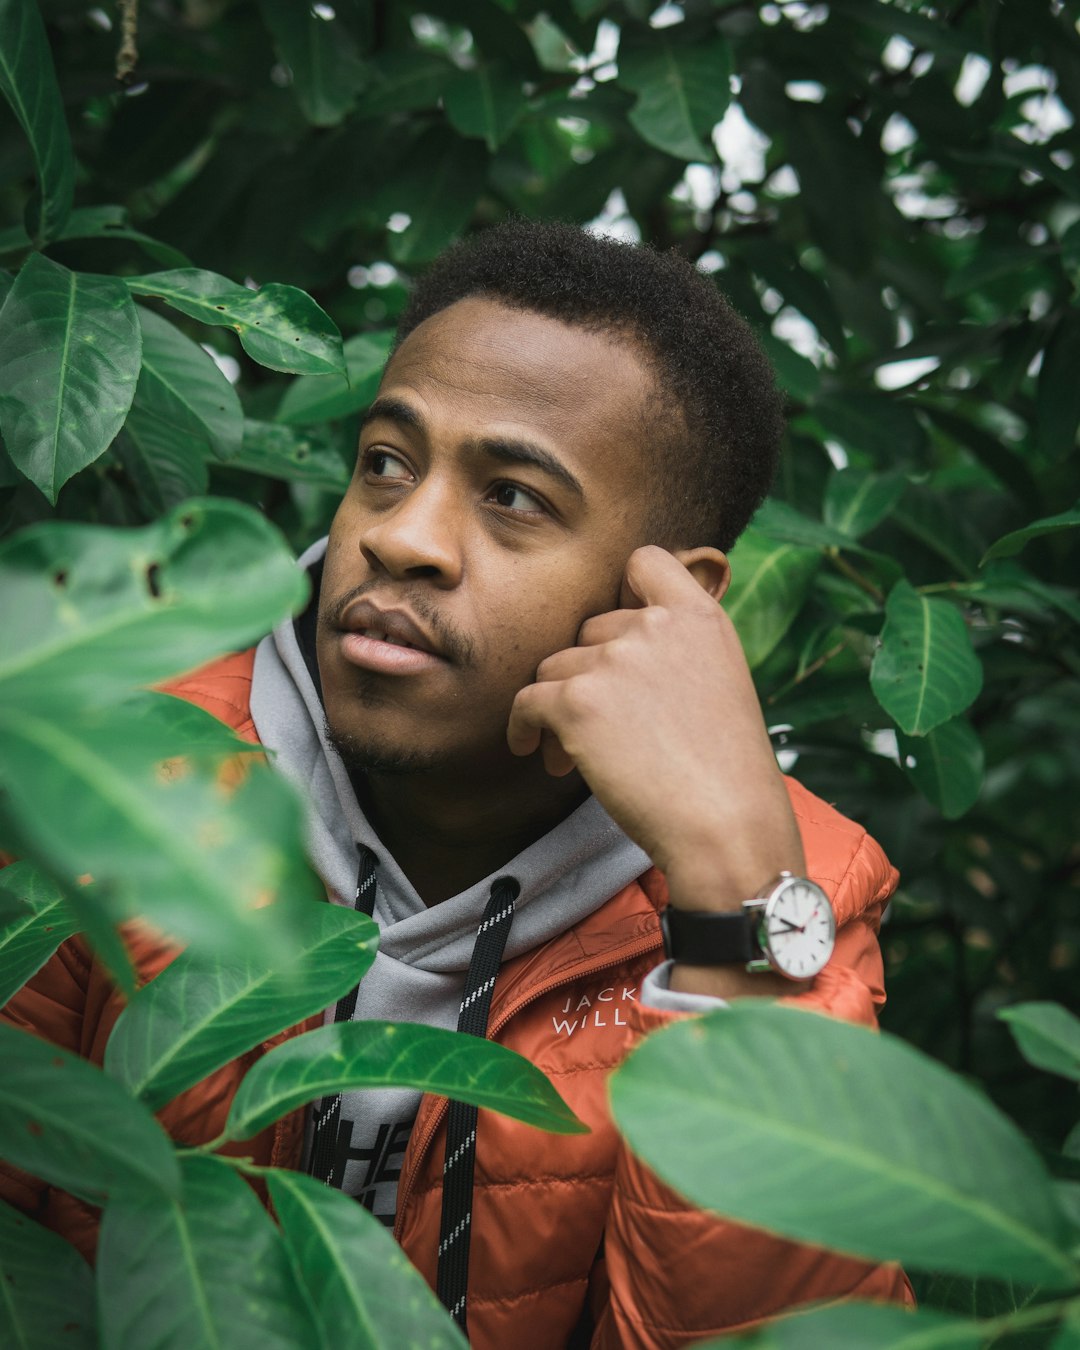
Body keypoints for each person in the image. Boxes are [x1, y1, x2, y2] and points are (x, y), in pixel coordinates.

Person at [2, 220, 911, 1346]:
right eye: (385, 464)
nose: (403, 538)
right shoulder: (117, 772)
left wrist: (732, 884)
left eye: (514, 497)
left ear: (671, 599)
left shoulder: (791, 890)